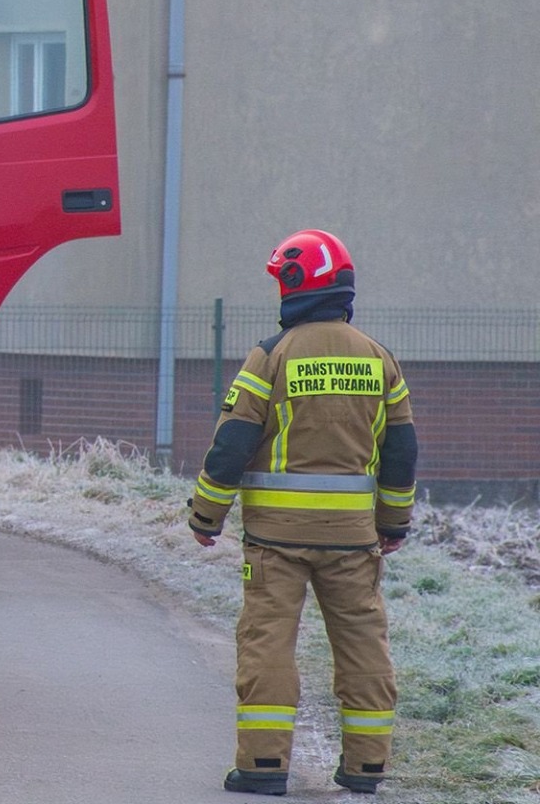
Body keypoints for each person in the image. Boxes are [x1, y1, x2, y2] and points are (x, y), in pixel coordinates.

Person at [188, 230, 418, 797]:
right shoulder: (379, 359)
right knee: (363, 646)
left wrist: (206, 515)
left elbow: (232, 444)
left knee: (267, 644)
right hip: (353, 541)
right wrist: (392, 524)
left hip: (275, 541)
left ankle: (264, 766)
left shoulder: (272, 355)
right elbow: (401, 452)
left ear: (295, 285)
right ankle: (366, 767)